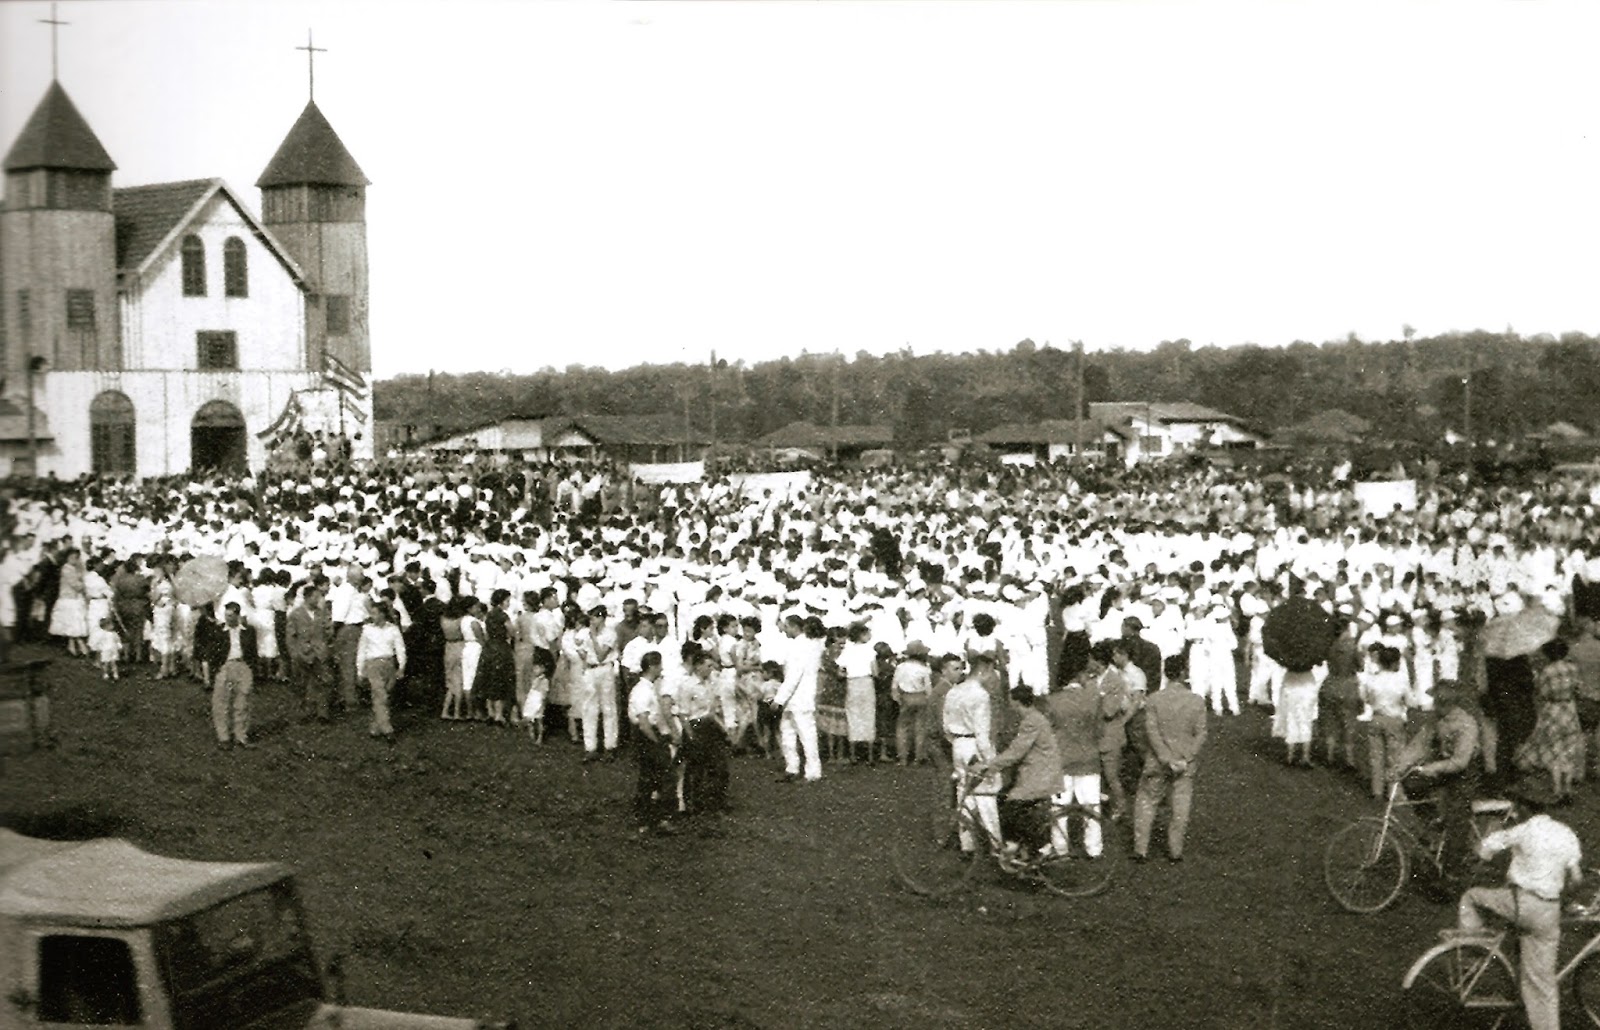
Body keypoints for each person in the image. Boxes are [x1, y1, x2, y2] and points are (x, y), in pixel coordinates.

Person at [1444, 786, 1581, 1030]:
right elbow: (1577, 878)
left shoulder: (1522, 830)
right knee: (1543, 982)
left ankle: (1471, 954)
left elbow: (1485, 848)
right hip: (1549, 910)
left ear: (1525, 808)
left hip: (1521, 904)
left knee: (1472, 897)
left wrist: (1481, 852)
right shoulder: (1566, 834)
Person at [1395, 679, 1481, 890]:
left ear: (1449, 703)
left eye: (1439, 702)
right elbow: (1420, 744)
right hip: (1444, 765)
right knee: (1412, 782)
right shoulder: (1436, 719)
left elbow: (1460, 762)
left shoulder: (1466, 724)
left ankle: (1452, 875)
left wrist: (1433, 768)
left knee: (1457, 819)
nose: (1435, 705)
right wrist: (1399, 766)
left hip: (1464, 773)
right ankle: (1433, 820)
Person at [972, 684, 1062, 859]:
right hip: (1037, 771)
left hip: (1041, 774)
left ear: (1016, 702)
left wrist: (989, 766)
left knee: (1010, 804)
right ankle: (1023, 849)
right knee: (1006, 799)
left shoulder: (1031, 721)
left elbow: (1016, 752)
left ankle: (1035, 847)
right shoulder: (1034, 717)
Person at [1133, 654, 1208, 863]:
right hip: (1185, 762)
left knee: (1147, 802)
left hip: (1158, 761)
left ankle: (1141, 849)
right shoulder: (1196, 701)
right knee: (1180, 806)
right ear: (1184, 673)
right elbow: (1201, 734)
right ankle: (1175, 851)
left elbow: (1151, 732)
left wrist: (1166, 758)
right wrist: (1186, 756)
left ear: (1167, 673)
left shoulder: (1155, 699)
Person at [1046, 654, 1106, 858]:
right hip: (1088, 759)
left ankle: (1060, 848)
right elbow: (1100, 731)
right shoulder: (1094, 699)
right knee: (1091, 807)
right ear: (1080, 675)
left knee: (1058, 808)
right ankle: (1094, 848)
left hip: (1062, 760)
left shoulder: (1053, 701)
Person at [1515, 638, 1586, 804]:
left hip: (1553, 711)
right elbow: (1579, 688)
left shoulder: (1546, 671)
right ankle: (1567, 787)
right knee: (1568, 749)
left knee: (1555, 750)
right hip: (1569, 710)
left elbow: (1541, 692)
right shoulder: (1572, 668)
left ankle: (1557, 788)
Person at [944, 652, 1002, 853]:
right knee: (986, 794)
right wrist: (991, 762)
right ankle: (997, 846)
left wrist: (956, 742)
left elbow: (946, 726)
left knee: (964, 793)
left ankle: (966, 843)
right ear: (984, 670)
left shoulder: (953, 691)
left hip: (958, 744)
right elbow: (982, 734)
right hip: (974, 746)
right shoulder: (980, 695)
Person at [628, 651, 679, 837]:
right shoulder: (641, 691)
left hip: (652, 735)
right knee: (653, 778)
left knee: (658, 778)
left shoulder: (649, 688)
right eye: (659, 665)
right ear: (652, 667)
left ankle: (658, 818)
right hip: (647, 737)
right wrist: (657, 741)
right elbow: (643, 722)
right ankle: (648, 819)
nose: (662, 669)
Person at [774, 616, 825, 783]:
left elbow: (794, 676)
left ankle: (812, 772)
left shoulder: (800, 646)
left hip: (799, 696)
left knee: (805, 734)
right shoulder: (810, 644)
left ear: (794, 627)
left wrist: (779, 699)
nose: (785, 630)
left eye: (787, 627)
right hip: (796, 697)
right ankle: (792, 768)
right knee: (788, 732)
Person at [1360, 644, 1410, 800]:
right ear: (1395, 663)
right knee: (1394, 757)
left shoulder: (1372, 680)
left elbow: (1365, 698)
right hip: (1394, 718)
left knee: (1376, 757)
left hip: (1376, 718)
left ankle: (1377, 791)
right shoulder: (1401, 681)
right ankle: (1395, 791)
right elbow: (1409, 700)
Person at [356, 601, 407, 744]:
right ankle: (387, 729)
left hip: (389, 664)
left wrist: (401, 667)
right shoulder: (367, 630)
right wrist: (360, 670)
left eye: (374, 613)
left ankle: (375, 726)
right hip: (373, 664)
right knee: (380, 694)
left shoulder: (393, 629)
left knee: (384, 695)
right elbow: (361, 650)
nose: (372, 616)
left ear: (383, 614)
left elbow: (400, 648)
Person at [211, 601, 257, 750]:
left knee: (242, 703)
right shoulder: (218, 631)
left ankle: (241, 736)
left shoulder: (248, 631)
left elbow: (253, 653)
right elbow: (212, 653)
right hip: (225, 666)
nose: (228, 618)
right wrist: (217, 670)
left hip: (243, 665)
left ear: (237, 615)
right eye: (226, 615)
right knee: (221, 702)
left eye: (231, 615)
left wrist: (251, 670)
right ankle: (224, 737)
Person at [286, 582, 335, 722]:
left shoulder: (321, 613)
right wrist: (294, 653)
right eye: (315, 597)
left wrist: (326, 643)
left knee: (323, 682)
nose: (318, 600)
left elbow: (328, 632)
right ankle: (303, 712)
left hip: (319, 652)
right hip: (302, 653)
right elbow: (290, 636)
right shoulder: (295, 614)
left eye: (319, 597)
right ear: (307, 598)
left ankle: (322, 713)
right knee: (301, 683)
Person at [892, 640, 933, 765]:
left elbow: (894, 686)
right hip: (920, 697)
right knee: (920, 728)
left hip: (906, 697)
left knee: (903, 728)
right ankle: (918, 757)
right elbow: (928, 688)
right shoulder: (924, 669)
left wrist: (897, 698)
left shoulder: (900, 667)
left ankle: (903, 757)